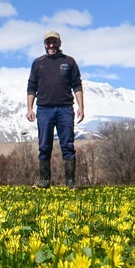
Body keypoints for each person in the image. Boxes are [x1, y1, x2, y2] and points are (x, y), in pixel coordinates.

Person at [26, 30, 84, 188]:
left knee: (68, 145)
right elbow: (31, 87)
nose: (51, 45)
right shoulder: (38, 63)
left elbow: (77, 85)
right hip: (44, 109)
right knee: (44, 146)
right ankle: (44, 181)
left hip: (65, 109)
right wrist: (29, 108)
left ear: (59, 43)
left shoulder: (69, 62)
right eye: (48, 42)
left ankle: (70, 182)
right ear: (45, 44)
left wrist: (81, 107)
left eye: (54, 42)